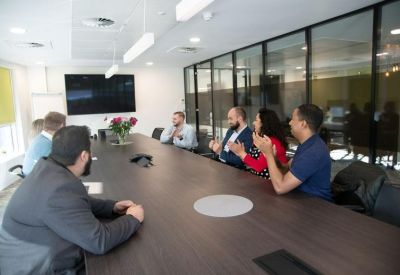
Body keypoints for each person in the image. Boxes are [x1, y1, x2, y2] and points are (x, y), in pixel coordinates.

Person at [0, 126, 144, 274]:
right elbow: (99, 241)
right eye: (90, 151)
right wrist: (132, 218)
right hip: (34, 267)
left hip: (29, 252)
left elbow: (75, 202)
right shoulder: (60, 188)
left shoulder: (47, 168)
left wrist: (112, 207)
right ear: (83, 156)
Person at [254, 104, 332, 201]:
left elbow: (280, 188)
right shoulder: (306, 144)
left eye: (293, 119)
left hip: (316, 207)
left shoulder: (313, 152)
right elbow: (286, 169)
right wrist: (273, 158)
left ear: (303, 124)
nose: (290, 122)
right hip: (299, 198)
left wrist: (268, 154)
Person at [229, 108, 288, 179]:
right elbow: (252, 163)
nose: (253, 123)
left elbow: (259, 166)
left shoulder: (272, 142)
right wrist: (240, 153)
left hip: (270, 184)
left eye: (256, 120)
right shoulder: (261, 138)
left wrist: (241, 153)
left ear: (264, 124)